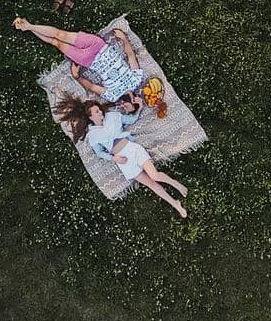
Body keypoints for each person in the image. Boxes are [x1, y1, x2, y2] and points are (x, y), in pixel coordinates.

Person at [55, 96, 188, 218]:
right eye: (96, 112)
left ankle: (176, 184)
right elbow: (100, 153)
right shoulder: (92, 135)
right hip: (122, 161)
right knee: (152, 185)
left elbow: (132, 119)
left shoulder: (113, 116)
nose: (100, 112)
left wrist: (140, 107)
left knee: (154, 175)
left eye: (99, 110)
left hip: (132, 149)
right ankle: (175, 204)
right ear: (90, 117)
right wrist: (114, 158)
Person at [14, 17, 146, 105]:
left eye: (125, 107)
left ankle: (27, 27)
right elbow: (130, 56)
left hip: (87, 60)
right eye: (131, 103)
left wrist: (77, 76)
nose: (124, 105)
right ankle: (29, 25)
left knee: (57, 43)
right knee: (61, 34)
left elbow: (92, 87)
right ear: (136, 99)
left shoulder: (114, 96)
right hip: (99, 46)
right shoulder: (136, 79)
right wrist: (124, 38)